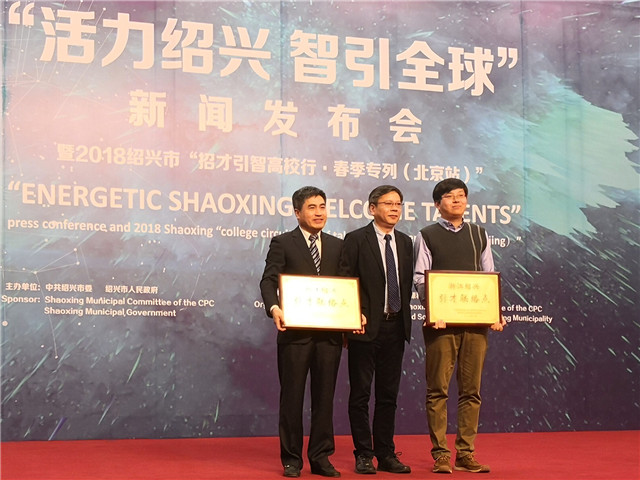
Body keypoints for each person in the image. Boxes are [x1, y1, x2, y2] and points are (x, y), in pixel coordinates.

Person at [413, 178, 506, 474]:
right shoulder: (426, 235)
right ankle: (441, 454)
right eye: (450, 196)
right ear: (437, 204)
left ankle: (465, 453)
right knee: (437, 390)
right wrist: (433, 310)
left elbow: (488, 276)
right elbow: (419, 278)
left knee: (471, 391)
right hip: (440, 325)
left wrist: (494, 312)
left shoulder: (479, 234)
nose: (457, 200)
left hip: (475, 325)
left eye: (462, 195)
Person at [260, 186, 345, 478]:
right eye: (312, 207)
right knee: (292, 398)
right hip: (295, 334)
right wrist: (274, 308)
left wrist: (355, 312)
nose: (319, 213)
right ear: (297, 212)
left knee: (324, 398)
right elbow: (268, 281)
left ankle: (321, 457)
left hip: (329, 335)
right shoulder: (283, 243)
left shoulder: (338, 245)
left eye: (322, 206)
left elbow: (347, 285)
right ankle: (292, 459)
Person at [339, 185, 413, 475]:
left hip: (396, 327)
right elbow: (346, 280)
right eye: (388, 203)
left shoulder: (405, 242)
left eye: (398, 204)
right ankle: (363, 454)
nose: (394, 209)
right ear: (372, 208)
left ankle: (386, 453)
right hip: (365, 328)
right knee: (360, 395)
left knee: (388, 396)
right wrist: (351, 317)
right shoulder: (356, 239)